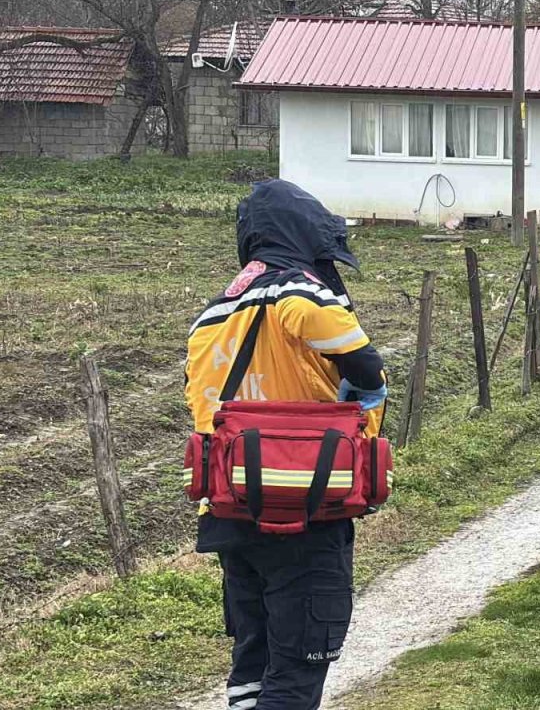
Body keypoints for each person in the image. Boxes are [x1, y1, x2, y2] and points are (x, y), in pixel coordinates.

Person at [185, 179, 388, 709]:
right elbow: (364, 362)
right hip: (303, 505)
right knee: (299, 668)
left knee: (253, 661)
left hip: (232, 512)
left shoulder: (211, 315)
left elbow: (202, 406)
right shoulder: (300, 291)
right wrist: (366, 386)